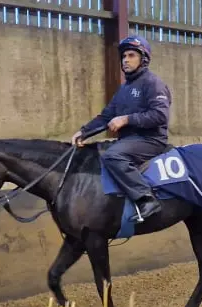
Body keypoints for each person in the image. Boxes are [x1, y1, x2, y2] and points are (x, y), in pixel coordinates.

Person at [71, 35, 172, 223]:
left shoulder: (153, 83)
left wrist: (127, 119)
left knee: (113, 155)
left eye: (131, 55)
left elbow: (160, 116)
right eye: (124, 56)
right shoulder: (124, 88)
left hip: (151, 140)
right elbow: (106, 116)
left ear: (144, 59)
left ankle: (146, 199)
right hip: (129, 141)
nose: (125, 60)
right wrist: (84, 132)